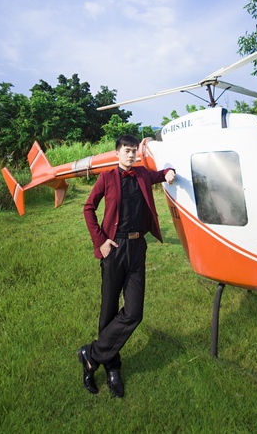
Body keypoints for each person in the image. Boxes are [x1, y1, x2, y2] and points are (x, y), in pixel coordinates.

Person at [77, 134, 176, 397]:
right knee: (109, 310)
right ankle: (112, 367)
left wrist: (169, 173)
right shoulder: (107, 178)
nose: (131, 155)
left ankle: (91, 355)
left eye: (134, 151)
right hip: (114, 249)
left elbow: (161, 174)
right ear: (117, 153)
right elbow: (88, 208)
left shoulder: (142, 174)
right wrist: (101, 241)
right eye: (127, 151)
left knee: (134, 312)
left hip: (137, 247)